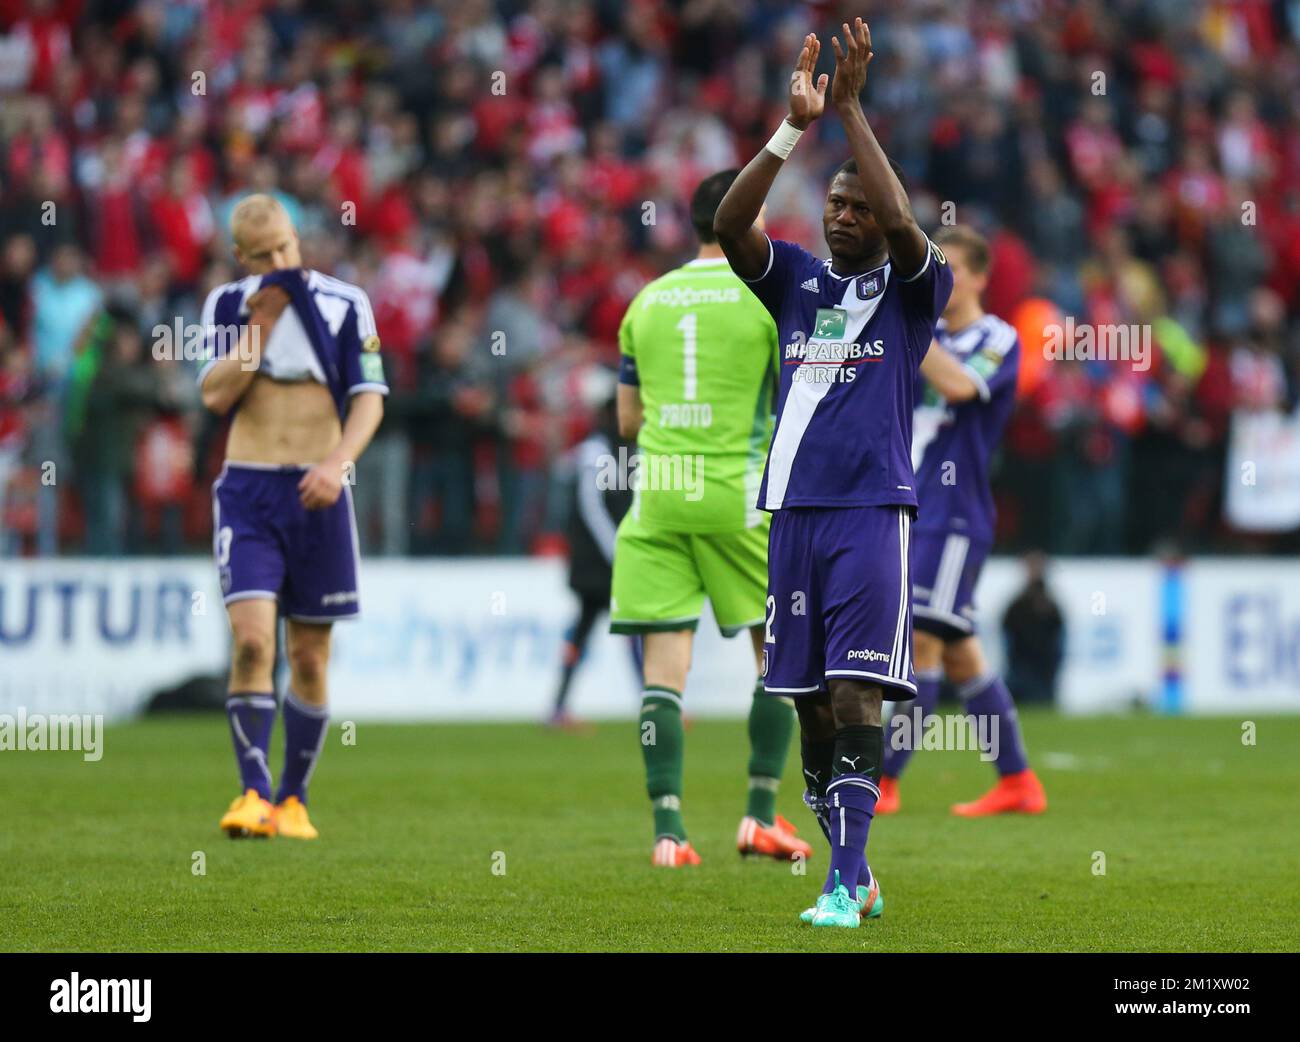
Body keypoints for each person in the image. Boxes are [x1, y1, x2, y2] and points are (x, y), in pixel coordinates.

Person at [714, 20, 952, 927]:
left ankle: (843, 880)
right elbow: (731, 223)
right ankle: (854, 867)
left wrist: (852, 115)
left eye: (859, 206)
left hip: (871, 516)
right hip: (792, 518)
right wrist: (793, 129)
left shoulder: (910, 291)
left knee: (856, 693)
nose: (848, 214)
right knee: (809, 706)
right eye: (837, 205)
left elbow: (900, 222)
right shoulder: (797, 283)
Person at [612, 168, 811, 868]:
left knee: (664, 671)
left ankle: (669, 832)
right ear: (747, 218)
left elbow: (628, 420)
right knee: (780, 657)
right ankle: (759, 815)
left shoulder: (646, 300)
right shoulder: (767, 297)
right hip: (739, 495)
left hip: (658, 495)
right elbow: (795, 401)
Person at [198, 194, 385, 839]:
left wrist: (337, 464)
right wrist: (261, 327)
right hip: (249, 491)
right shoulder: (228, 306)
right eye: (265, 254)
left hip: (319, 490)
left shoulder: (345, 304)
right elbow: (215, 394)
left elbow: (368, 400)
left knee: (308, 656)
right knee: (252, 642)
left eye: (287, 247)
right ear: (240, 258)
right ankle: (251, 794)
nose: (280, 261)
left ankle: (294, 798)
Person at [877, 225, 1048, 817]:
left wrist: (906, 324)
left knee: (922, 638)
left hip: (952, 516)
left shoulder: (995, 336)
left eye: (949, 267)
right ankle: (1019, 781)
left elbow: (956, 383)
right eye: (933, 267)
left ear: (978, 276)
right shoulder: (927, 333)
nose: (940, 278)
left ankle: (885, 781)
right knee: (960, 654)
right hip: (905, 504)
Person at [548, 383, 639, 727]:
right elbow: (591, 506)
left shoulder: (630, 449)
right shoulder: (594, 450)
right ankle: (559, 707)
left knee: (623, 628)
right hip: (594, 561)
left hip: (613, 557)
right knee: (611, 627)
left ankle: (559, 707)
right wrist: (616, 548)